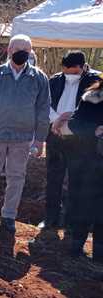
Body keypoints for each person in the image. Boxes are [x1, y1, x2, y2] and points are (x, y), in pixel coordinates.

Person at [0, 34, 51, 233]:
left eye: (27, 50)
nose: (22, 54)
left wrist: (40, 138)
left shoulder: (39, 78)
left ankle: (8, 216)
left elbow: (43, 109)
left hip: (22, 138)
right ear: (9, 50)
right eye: (18, 50)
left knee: (17, 177)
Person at [40, 51, 100, 229]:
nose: (68, 75)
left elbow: (91, 108)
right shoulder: (55, 80)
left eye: (72, 72)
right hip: (55, 134)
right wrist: (56, 120)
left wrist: (67, 119)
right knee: (53, 179)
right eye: (65, 71)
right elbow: (45, 103)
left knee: (76, 180)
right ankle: (51, 217)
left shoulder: (95, 82)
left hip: (79, 138)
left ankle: (71, 221)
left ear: (81, 67)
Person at [58, 75, 103, 263]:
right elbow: (75, 124)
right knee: (84, 203)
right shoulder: (92, 98)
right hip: (89, 160)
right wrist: (95, 131)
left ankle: (99, 255)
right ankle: (76, 246)